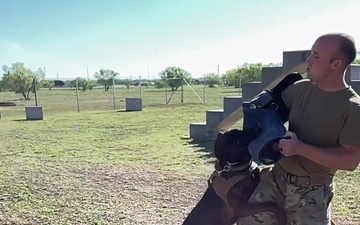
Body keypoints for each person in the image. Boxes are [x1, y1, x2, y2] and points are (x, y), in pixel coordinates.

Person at [237, 33, 360, 225]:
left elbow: (350, 161)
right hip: (275, 179)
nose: (308, 60)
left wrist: (300, 148)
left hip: (311, 192)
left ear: (336, 64)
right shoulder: (299, 89)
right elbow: (267, 115)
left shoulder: (353, 108)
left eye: (316, 56)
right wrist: (269, 139)